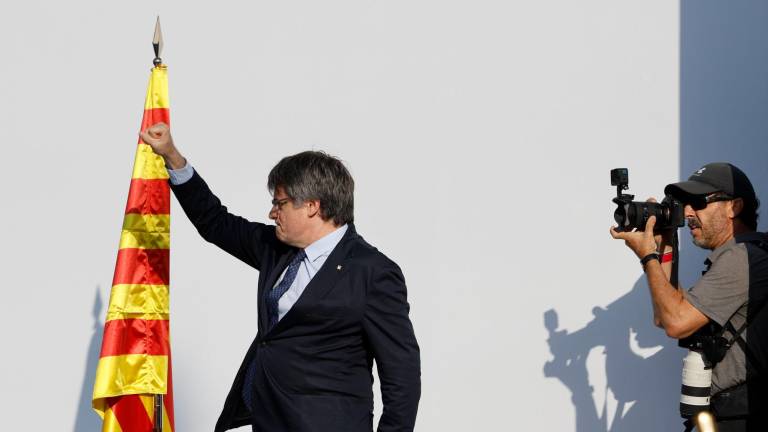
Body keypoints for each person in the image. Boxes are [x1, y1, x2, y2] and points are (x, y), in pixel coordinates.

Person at [140, 122, 421, 432]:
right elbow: (214, 222)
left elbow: (402, 376)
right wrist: (172, 157)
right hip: (268, 420)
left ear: (313, 206)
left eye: (280, 203)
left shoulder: (373, 272)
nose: (273, 213)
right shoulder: (277, 249)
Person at [610, 162, 768, 431]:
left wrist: (648, 256)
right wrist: (667, 244)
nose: (688, 213)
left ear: (734, 207)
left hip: (741, 417)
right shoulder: (742, 256)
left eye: (698, 203)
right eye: (685, 204)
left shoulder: (741, 258)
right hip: (726, 414)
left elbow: (675, 322)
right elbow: (666, 314)